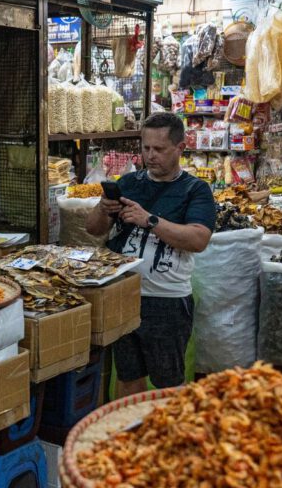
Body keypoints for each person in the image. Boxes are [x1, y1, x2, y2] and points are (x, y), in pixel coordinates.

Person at [86, 112, 214, 397]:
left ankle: (170, 426)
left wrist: (150, 221)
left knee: (169, 384)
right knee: (128, 376)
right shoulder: (129, 182)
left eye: (159, 149)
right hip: (124, 294)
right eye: (146, 148)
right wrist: (103, 209)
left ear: (180, 148)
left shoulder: (195, 190)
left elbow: (198, 239)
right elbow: (93, 229)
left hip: (166, 301)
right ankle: (131, 424)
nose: (150, 155)